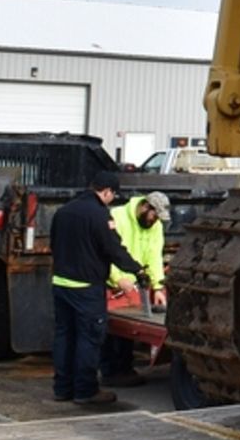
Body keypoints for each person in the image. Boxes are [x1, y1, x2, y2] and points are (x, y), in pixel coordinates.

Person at [51, 168, 149, 406]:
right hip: (87, 289)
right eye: (112, 195)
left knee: (65, 337)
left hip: (60, 284)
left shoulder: (63, 212)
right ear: (106, 192)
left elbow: (54, 243)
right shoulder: (99, 216)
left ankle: (62, 388)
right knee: (89, 339)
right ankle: (85, 390)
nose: (112, 200)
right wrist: (137, 270)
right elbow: (113, 249)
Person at [100, 190, 170, 388]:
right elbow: (108, 251)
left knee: (129, 329)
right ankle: (110, 371)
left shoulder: (154, 226)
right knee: (110, 329)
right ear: (145, 207)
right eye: (154, 215)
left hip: (132, 285)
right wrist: (117, 278)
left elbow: (154, 256)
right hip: (113, 284)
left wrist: (158, 287)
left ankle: (123, 369)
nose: (155, 221)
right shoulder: (118, 217)